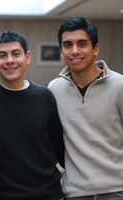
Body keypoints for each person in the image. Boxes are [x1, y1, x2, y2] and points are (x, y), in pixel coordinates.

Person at [0, 30, 64, 200]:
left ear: (27, 57)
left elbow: (59, 147)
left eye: (16, 54)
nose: (10, 60)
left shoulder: (45, 96)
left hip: (47, 194)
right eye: (2, 55)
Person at [48, 16, 123, 199]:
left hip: (116, 191)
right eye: (68, 45)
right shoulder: (54, 89)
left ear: (95, 49)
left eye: (82, 44)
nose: (75, 51)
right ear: (61, 51)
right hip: (75, 192)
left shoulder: (119, 85)